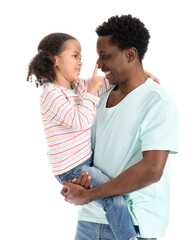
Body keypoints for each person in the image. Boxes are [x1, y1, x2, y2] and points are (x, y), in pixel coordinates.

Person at [60, 15, 179, 240]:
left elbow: (152, 170)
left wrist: (90, 194)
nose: (99, 64)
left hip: (132, 223)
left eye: (105, 56)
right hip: (90, 219)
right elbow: (89, 156)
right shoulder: (98, 99)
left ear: (130, 54)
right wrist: (77, 181)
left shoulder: (158, 102)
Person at [26, 32, 143, 240]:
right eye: (75, 56)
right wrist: (90, 92)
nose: (80, 62)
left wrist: (143, 76)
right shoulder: (50, 94)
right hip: (72, 168)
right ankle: (129, 238)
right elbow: (78, 121)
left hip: (85, 161)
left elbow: (103, 84)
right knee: (112, 197)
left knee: (112, 194)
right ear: (55, 60)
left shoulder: (76, 86)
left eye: (81, 57)